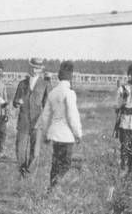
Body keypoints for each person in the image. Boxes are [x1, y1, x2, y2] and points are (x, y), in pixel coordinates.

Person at [38, 61, 82, 190]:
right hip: (67, 135)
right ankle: (56, 187)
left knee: (56, 163)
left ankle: (52, 187)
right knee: (66, 164)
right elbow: (72, 116)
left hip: (54, 134)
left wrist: (46, 133)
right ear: (70, 77)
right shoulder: (70, 93)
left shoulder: (53, 93)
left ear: (59, 77)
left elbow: (45, 116)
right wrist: (78, 133)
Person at [13, 57, 52, 178]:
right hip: (23, 121)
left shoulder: (45, 84)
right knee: (20, 150)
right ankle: (22, 172)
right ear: (30, 68)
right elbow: (15, 101)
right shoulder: (22, 84)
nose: (35, 70)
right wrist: (17, 102)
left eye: (38, 68)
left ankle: (28, 173)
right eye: (34, 67)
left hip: (37, 122)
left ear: (41, 70)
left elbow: (48, 106)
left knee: (35, 153)